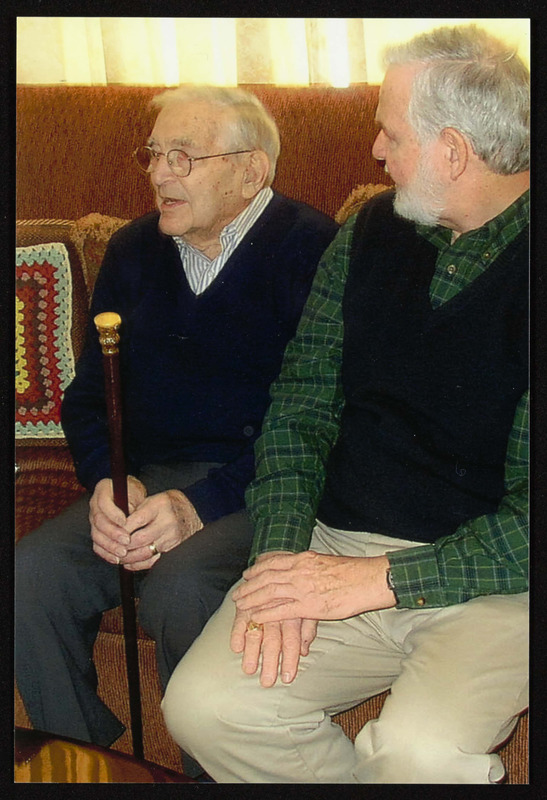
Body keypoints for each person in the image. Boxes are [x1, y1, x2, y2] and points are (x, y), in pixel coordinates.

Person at [162, 25, 530, 784]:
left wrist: (381, 582)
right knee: (203, 707)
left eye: (389, 132)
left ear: (453, 151)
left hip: (497, 583)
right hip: (337, 542)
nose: (374, 151)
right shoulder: (369, 230)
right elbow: (300, 403)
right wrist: (282, 554)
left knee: (420, 757)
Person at [15, 85, 338, 766]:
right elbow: (89, 397)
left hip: (265, 485)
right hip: (148, 478)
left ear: (250, 170)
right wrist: (108, 482)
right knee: (30, 574)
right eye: (155, 155)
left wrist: (199, 506)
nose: (160, 173)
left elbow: (323, 418)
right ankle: (80, 759)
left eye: (184, 157)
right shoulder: (135, 251)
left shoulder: (311, 249)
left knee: (183, 586)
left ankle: (209, 773)